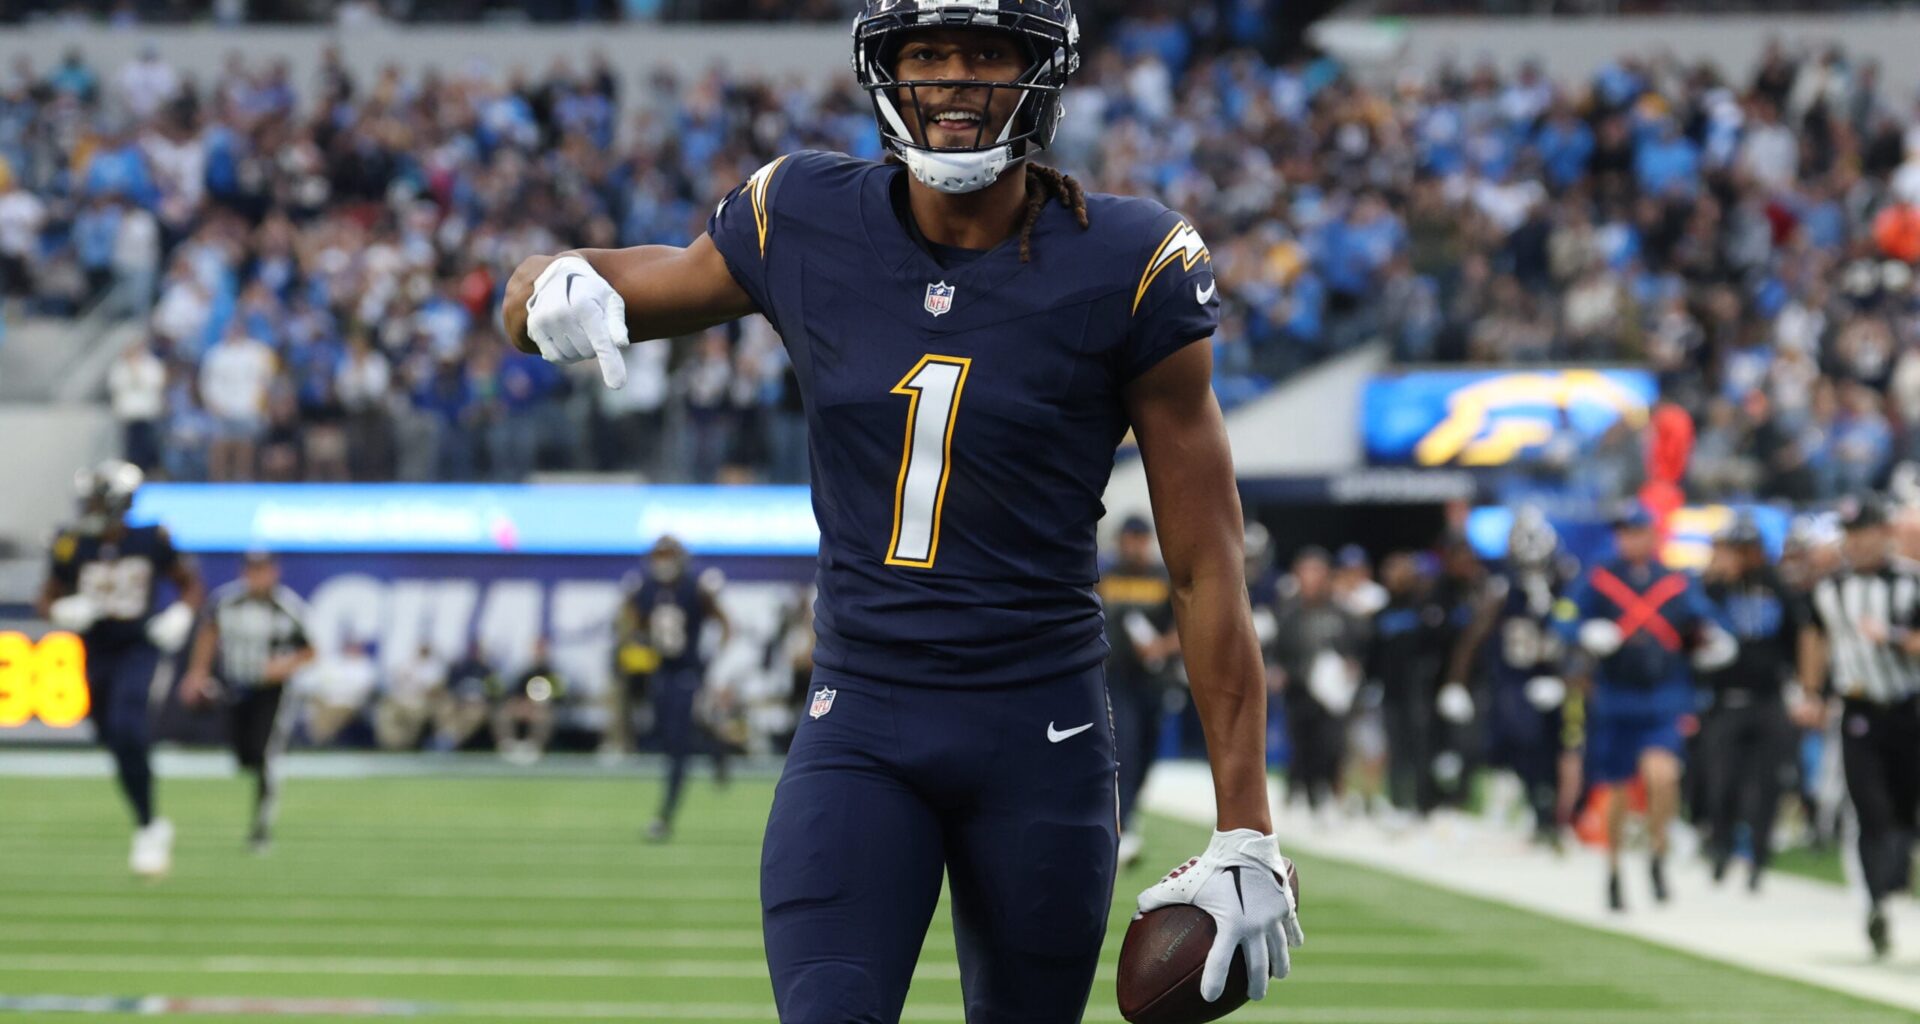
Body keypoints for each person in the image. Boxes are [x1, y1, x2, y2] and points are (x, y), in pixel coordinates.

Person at [500, 1, 1304, 1016]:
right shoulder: (803, 214)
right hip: (862, 723)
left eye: (986, 54)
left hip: (1041, 733)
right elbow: (592, 283)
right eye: (927, 53)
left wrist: (1248, 828)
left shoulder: (1127, 260)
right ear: (886, 70)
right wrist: (541, 290)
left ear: (1040, 73)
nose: (955, 80)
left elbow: (1204, 563)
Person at [1555, 503, 1733, 912]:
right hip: (1617, 696)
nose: (1628, 540)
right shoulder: (1600, 578)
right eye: (1623, 532)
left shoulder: (1674, 580)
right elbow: (1562, 617)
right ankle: (1615, 869)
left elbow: (1706, 619)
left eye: (1635, 531)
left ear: (1652, 535)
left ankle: (1658, 850)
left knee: (1664, 775)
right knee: (1616, 787)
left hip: (1665, 693)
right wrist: (1583, 630)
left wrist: (1713, 639)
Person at [36, 460, 202, 877]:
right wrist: (60, 609)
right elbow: (47, 597)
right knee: (110, 735)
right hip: (97, 651)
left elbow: (190, 584)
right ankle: (149, 821)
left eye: (94, 498)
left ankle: (147, 827)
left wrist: (180, 613)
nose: (88, 506)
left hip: (138, 647)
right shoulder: (72, 543)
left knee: (129, 727)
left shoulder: (150, 539)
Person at [1797, 495, 1920, 957]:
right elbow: (1813, 636)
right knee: (1869, 809)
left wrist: (1892, 637)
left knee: (1904, 810)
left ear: (1883, 533)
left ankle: (1893, 875)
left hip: (1908, 710)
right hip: (1858, 710)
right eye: (1849, 534)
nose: (1857, 542)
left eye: (1864, 532)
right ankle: (1876, 902)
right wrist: (1811, 693)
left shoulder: (1910, 583)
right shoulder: (1829, 588)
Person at [1450, 509, 1573, 846]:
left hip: (1554, 677)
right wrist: (1456, 682)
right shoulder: (1503, 585)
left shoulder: (1564, 582)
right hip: (1512, 678)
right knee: (1518, 741)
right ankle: (1528, 808)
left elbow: (1574, 635)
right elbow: (1476, 634)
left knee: (1561, 748)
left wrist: (1564, 677)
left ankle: (1556, 817)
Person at [180, 550, 314, 851]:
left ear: (273, 572)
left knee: (266, 755)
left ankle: (261, 829)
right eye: (253, 570)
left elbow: (310, 650)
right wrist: (197, 673)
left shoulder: (287, 607)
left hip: (272, 692)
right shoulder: (226, 601)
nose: (257, 576)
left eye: (262, 570)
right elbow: (208, 633)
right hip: (236, 686)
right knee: (244, 756)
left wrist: (282, 666)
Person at [1697, 514, 1799, 892]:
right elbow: (1691, 624)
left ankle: (1758, 857)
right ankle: (1721, 845)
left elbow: (1802, 633)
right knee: (1722, 779)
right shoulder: (1714, 589)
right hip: (1725, 698)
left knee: (1766, 783)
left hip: (1768, 697)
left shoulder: (1776, 587)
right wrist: (1712, 577)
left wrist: (1802, 687)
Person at [618, 535, 732, 842]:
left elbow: (725, 624)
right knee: (668, 736)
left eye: (668, 555)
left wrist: (712, 661)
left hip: (687, 673)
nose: (663, 561)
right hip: (660, 673)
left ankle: (664, 817)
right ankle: (716, 749)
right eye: (659, 555)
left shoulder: (694, 587)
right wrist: (636, 640)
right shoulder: (645, 588)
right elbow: (630, 621)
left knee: (677, 749)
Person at [1099, 514, 1179, 868]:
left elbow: (1185, 625)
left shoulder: (1163, 577)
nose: (1133, 545)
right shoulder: (1105, 576)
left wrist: (1161, 647)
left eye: (1139, 538)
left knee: (1146, 752)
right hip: (1116, 677)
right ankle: (1123, 823)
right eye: (1128, 538)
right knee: (1126, 749)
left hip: (1153, 680)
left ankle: (1128, 813)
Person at [1273, 547, 1367, 818]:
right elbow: (1277, 649)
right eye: (1305, 572)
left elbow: (1358, 648)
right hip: (1298, 690)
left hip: (1332, 695)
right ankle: (1298, 794)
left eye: (1316, 572)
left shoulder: (1343, 613)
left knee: (1330, 745)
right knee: (1299, 744)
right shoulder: (1289, 611)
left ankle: (1326, 795)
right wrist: (1278, 670)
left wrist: (1351, 666)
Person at [1368, 551, 1450, 820]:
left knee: (1421, 748)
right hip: (1392, 691)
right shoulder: (1382, 614)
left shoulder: (1425, 610)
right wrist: (1371, 682)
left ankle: (1424, 804)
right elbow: (1373, 654)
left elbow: (1439, 649)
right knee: (1397, 749)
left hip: (1420, 691)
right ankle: (1398, 803)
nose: (1395, 579)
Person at [493, 637, 563, 765]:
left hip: (542, 709)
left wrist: (540, 704)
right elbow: (515, 695)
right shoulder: (526, 673)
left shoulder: (553, 674)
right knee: (503, 713)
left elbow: (559, 697)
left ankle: (533, 748)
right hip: (525, 707)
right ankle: (508, 747)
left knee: (543, 715)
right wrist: (523, 705)